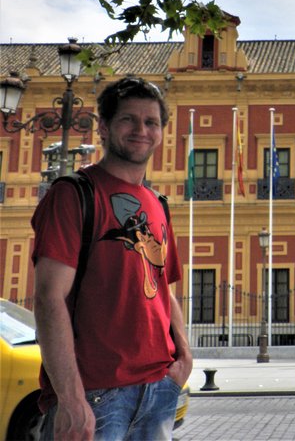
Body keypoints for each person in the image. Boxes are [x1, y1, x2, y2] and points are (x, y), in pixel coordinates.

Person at [32, 77, 192, 441]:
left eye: (151, 122)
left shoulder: (158, 205)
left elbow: (163, 288)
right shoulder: (73, 195)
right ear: (103, 128)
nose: (141, 130)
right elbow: (48, 298)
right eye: (128, 120)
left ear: (162, 133)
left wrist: (183, 357)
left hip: (157, 390)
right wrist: (71, 400)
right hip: (94, 396)